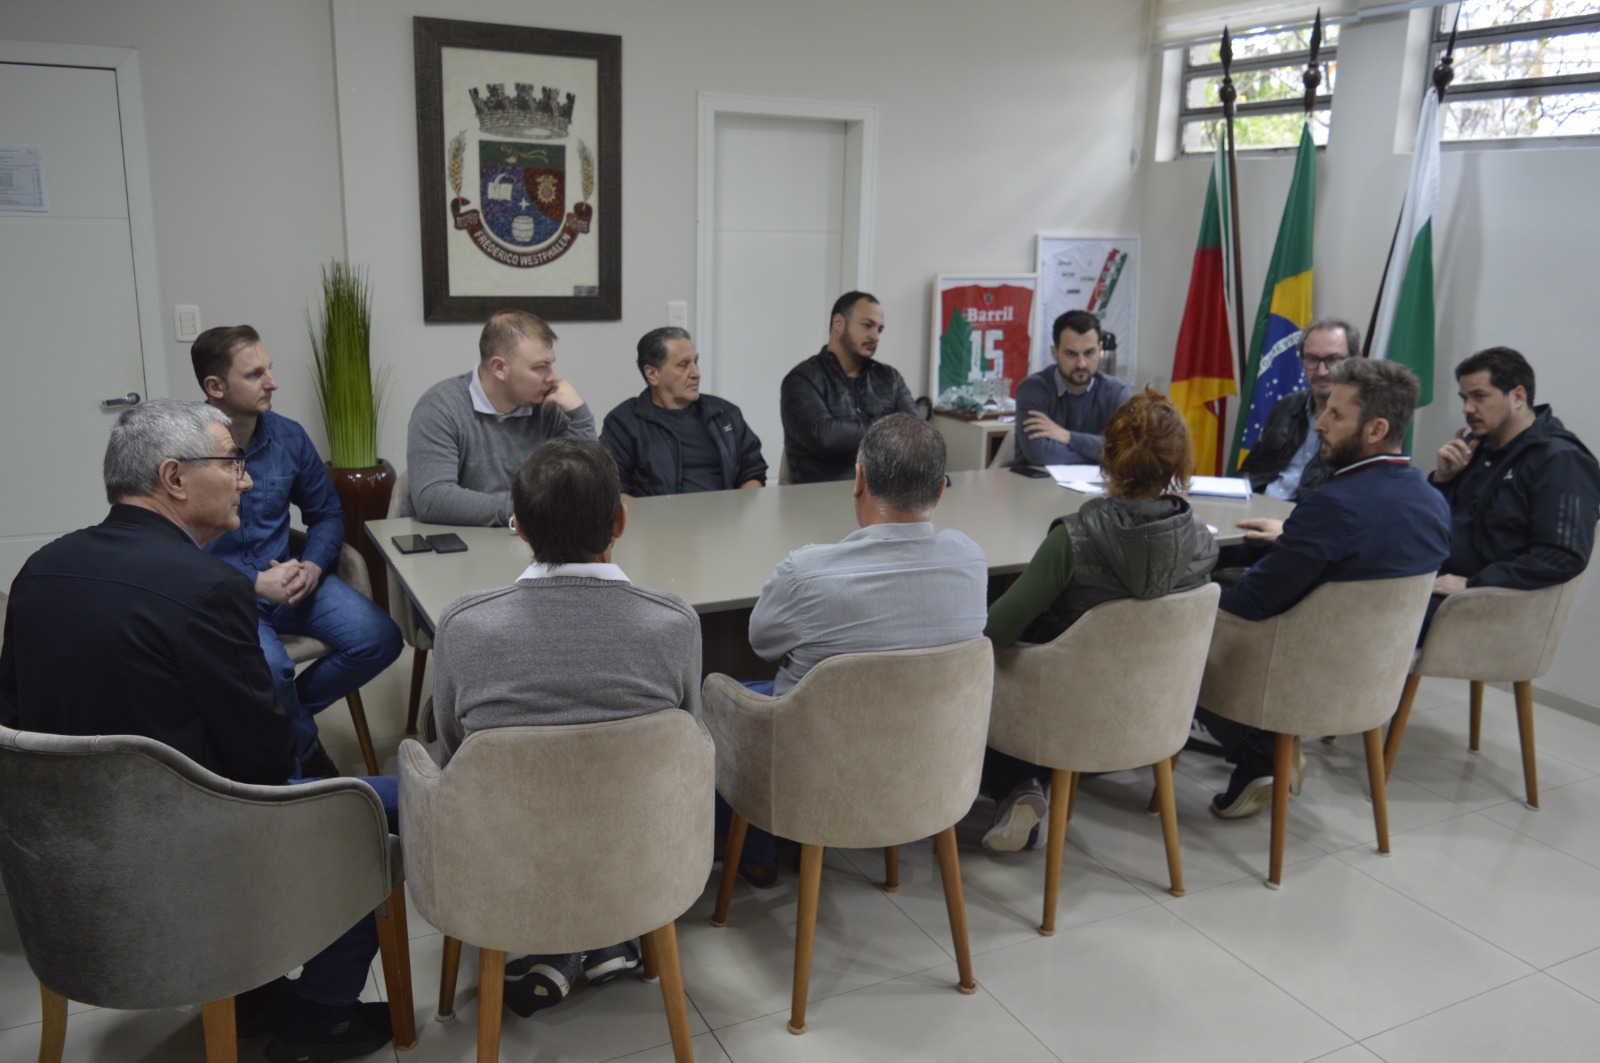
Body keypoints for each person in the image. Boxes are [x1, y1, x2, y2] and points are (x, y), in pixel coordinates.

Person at [0, 400, 396, 1063]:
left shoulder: (40, 570)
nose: (247, 478)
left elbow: (14, 717)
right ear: (174, 477)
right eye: (231, 462)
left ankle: (250, 994)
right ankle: (319, 1014)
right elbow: (264, 760)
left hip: (69, 866)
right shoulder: (209, 588)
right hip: (194, 860)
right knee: (384, 801)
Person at [431, 436, 701, 1017]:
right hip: (633, 852)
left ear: (519, 526)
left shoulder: (465, 626)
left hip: (509, 859)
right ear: (620, 521)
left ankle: (564, 945)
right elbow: (688, 745)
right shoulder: (674, 624)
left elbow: (451, 753)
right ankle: (605, 937)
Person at [727, 414, 988, 879]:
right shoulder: (970, 561)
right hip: (927, 770)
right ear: (940, 491)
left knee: (722, 695)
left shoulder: (806, 574)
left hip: (817, 773)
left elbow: (762, 643)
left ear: (859, 480)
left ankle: (758, 854)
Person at [1197, 359, 1451, 818]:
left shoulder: (1332, 506)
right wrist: (1293, 541)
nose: (1319, 424)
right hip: (1370, 679)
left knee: (1185, 622)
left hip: (1292, 676)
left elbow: (1252, 604)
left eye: (1335, 415)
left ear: (1375, 429)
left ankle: (1258, 751)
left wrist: (1194, 599)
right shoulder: (1433, 502)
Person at [982, 389, 1218, 850]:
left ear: (1108, 457)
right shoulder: (1201, 541)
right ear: (1179, 462)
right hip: (1154, 709)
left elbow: (997, 630)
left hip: (1068, 707)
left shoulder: (1074, 538)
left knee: (992, 655)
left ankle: (1018, 785)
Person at [192, 325, 401, 777]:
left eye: (269, 369)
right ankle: (306, 756)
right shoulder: (185, 450)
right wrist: (252, 583)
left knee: (381, 639)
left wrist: (312, 566)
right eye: (255, 374)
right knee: (270, 671)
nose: (273, 382)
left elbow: (326, 514)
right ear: (215, 386)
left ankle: (284, 720)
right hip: (225, 597)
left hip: (292, 581)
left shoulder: (289, 436)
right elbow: (172, 546)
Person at [1428, 346, 1600, 624]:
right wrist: (1442, 481)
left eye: (1479, 396)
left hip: (1482, 601)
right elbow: (1436, 525)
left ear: (1518, 396)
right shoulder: (1476, 446)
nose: (1467, 408)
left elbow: (1561, 555)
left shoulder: (1560, 459)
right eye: (1464, 398)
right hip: (1435, 579)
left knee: (1376, 619)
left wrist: (1472, 584)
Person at [407, 309, 597, 526]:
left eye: (551, 364)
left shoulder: (548, 405)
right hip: (460, 538)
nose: (552, 377)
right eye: (540, 367)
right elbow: (432, 499)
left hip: (532, 537)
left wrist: (579, 414)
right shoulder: (440, 407)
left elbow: (584, 487)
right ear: (499, 368)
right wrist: (528, 509)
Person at [600, 327, 766, 497]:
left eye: (696, 362)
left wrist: (740, 508)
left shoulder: (724, 414)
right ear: (652, 374)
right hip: (658, 515)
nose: (696, 373)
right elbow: (615, 489)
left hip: (726, 513)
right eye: (684, 365)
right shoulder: (622, 423)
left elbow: (752, 471)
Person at [780, 290, 918, 483]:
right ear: (838, 323)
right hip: (823, 492)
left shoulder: (889, 377)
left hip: (885, 490)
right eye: (867, 325)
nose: (875, 336)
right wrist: (892, 427)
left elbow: (917, 432)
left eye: (879, 330)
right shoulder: (802, 378)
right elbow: (825, 437)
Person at [1237, 319, 1358, 502]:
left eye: (1333, 360)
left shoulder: (1363, 422)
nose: (1321, 371)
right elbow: (1251, 471)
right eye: (1312, 359)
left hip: (1310, 516)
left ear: (1356, 360)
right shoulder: (1288, 405)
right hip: (1257, 506)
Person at [1011, 309, 1133, 468]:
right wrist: (1100, 455)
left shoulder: (1116, 392)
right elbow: (1039, 454)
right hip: (1036, 480)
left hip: (1097, 483)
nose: (1081, 364)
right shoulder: (1033, 389)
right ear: (1055, 353)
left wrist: (1067, 437)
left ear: (1100, 349)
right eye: (1071, 354)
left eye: (1089, 353)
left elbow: (1126, 450)